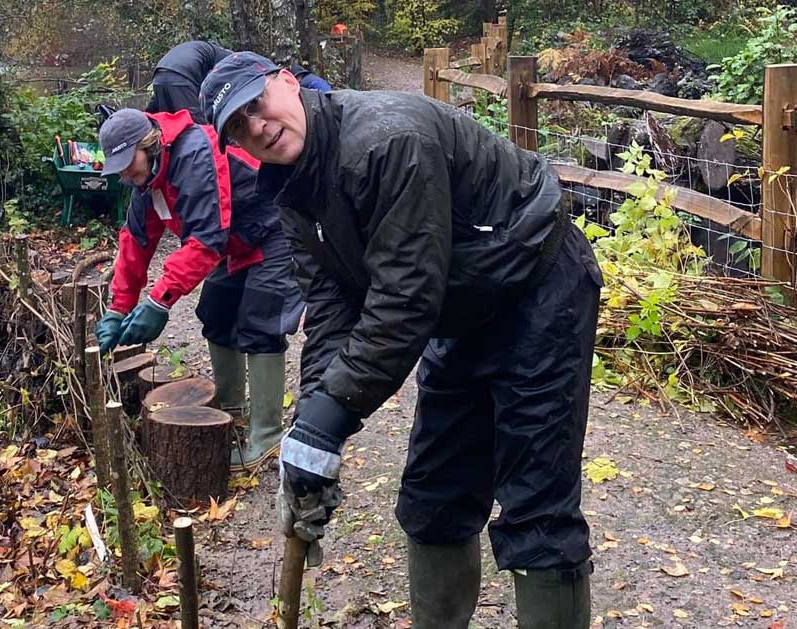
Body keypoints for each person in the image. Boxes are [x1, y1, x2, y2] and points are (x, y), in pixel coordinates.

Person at [200, 52, 602, 628]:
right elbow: (333, 310)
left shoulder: (387, 140)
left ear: (286, 82)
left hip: (538, 293)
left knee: (536, 506)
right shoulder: (294, 194)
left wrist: (332, 417)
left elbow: (403, 302)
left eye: (256, 105)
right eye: (237, 127)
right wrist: (311, 434)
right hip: (460, 309)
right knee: (433, 497)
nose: (256, 127)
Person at [94, 108, 303, 471]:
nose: (126, 173)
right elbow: (136, 241)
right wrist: (119, 307)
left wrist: (159, 301)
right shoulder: (146, 180)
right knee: (216, 313)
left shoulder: (194, 152)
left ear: (150, 144)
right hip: (233, 240)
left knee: (259, 320)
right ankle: (232, 409)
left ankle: (267, 435)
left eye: (129, 162)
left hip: (276, 227)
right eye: (120, 167)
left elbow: (206, 239)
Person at [146, 40, 233, 123]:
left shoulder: (204, 49)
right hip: (181, 77)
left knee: (162, 120)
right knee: (197, 125)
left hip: (159, 76)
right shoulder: (228, 59)